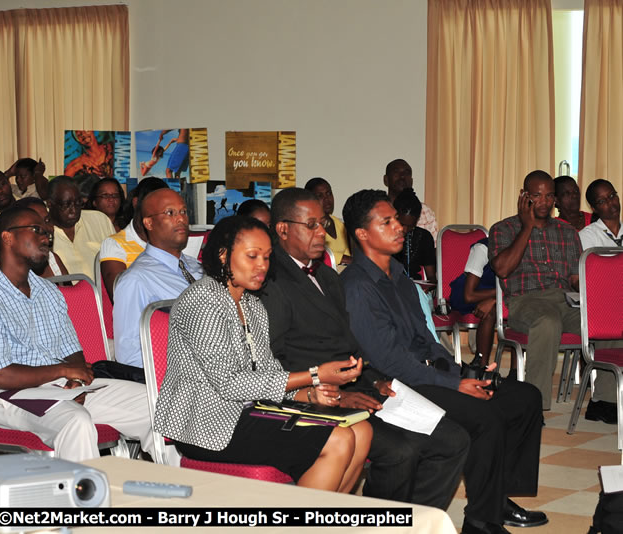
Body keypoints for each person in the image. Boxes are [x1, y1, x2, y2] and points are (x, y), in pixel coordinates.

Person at [341, 189, 547, 534]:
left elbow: (426, 339)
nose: (399, 228)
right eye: (387, 222)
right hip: (398, 385)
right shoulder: (357, 286)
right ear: (362, 234)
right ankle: (482, 521)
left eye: (397, 220)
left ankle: (496, 497)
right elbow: (391, 363)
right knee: (485, 416)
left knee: (525, 398)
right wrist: (456, 385)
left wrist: (465, 372)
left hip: (427, 373)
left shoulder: (397, 274)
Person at [259, 187, 469, 512]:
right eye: (310, 225)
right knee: (402, 449)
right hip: (308, 395)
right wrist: (335, 393)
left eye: (323, 224)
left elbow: (348, 343)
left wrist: (373, 379)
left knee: (451, 439)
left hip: (354, 384)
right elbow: (271, 361)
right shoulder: (269, 282)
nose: (322, 233)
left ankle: (414, 522)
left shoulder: (327, 276)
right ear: (283, 229)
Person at [154, 216, 371, 491]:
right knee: (338, 440)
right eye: (252, 256)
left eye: (267, 257)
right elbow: (230, 383)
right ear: (223, 255)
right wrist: (314, 375)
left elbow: (268, 372)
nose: (262, 266)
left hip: (251, 412)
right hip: (208, 425)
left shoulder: (252, 305)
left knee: (361, 432)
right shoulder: (202, 300)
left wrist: (310, 393)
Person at [0, 205, 164, 462]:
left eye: (46, 232)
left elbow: (72, 350)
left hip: (62, 388)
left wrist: (75, 380)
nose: (46, 237)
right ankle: (87, 498)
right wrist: (63, 373)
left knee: (158, 404)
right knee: (76, 422)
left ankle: (183, 491)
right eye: (36, 231)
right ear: (7, 237)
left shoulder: (47, 291)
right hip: (14, 397)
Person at [488, 170, 617, 418]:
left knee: (609, 321)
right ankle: (533, 407)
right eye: (537, 196)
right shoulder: (503, 229)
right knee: (547, 321)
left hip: (565, 300)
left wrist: (597, 299)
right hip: (525, 301)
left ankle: (605, 401)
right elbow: (502, 269)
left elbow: (575, 278)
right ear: (524, 196)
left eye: (549, 196)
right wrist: (526, 227)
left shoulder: (567, 232)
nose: (544, 202)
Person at [113, 188, 202, 368]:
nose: (181, 219)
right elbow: (129, 355)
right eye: (170, 213)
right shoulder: (136, 280)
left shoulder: (197, 267)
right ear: (149, 223)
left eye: (183, 212)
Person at [99, 177, 168, 300]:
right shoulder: (115, 244)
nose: (160, 213)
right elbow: (121, 297)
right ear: (136, 203)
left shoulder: (169, 242)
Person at [0, 197, 68, 280]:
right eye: (36, 228)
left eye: (47, 220)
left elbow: (71, 295)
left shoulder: (52, 259)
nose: (46, 229)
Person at [46, 175, 115, 281]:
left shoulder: (99, 220)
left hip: (101, 295)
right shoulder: (42, 234)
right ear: (50, 204)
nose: (74, 210)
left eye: (78, 203)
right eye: (66, 205)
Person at [449, 237, 499, 369]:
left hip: (495, 295)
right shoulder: (483, 249)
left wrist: (495, 298)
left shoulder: (523, 251)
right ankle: (481, 366)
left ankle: (515, 372)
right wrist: (498, 295)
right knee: (491, 312)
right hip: (469, 293)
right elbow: (469, 296)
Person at [383, 159, 438, 240]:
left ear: (412, 181)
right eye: (396, 172)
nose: (402, 176)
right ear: (386, 180)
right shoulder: (377, 211)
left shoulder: (425, 212)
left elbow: (433, 247)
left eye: (407, 173)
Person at [391, 187, 435, 281]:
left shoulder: (424, 237)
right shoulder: (383, 236)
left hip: (415, 287)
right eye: (402, 224)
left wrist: (428, 287)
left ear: (417, 220)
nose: (405, 230)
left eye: (411, 226)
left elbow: (431, 277)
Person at [305, 177, 351, 266]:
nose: (327, 199)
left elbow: (348, 256)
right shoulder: (308, 226)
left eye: (329, 193)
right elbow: (314, 254)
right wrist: (343, 259)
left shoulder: (340, 224)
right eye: (320, 196)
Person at [579, 179, 622, 249]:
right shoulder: (587, 236)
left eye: (611, 195)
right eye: (602, 201)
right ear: (594, 209)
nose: (610, 202)